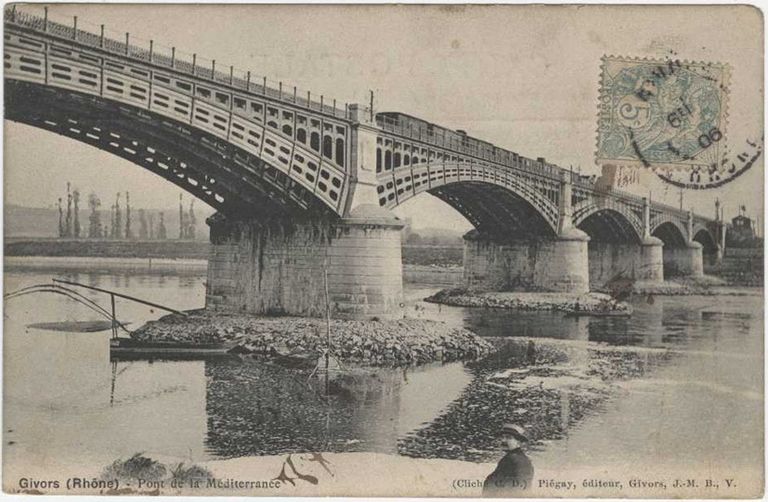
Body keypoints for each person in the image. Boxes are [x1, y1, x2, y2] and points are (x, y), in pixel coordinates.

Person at [482, 424, 534, 497]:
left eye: (509, 438)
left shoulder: (518, 460)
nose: (503, 441)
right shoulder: (511, 458)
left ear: (519, 442)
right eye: (502, 437)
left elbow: (519, 489)